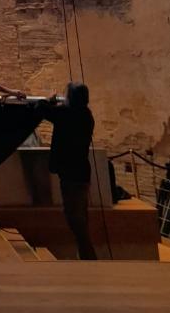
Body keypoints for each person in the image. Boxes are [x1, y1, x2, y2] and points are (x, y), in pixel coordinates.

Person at [37, 82, 98, 260]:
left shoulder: (66, 113)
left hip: (70, 174)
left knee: (74, 217)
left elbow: (41, 107)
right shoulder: (86, 115)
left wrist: (50, 100)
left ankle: (89, 258)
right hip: (82, 172)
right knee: (80, 216)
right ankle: (85, 256)